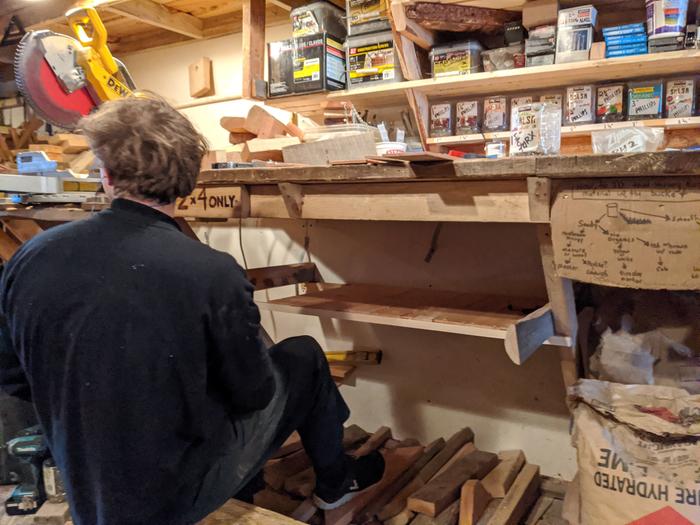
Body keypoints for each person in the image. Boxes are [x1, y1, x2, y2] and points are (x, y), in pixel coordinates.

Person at [0, 95, 384, 525]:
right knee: (304, 357)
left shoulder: (31, 257)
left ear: (106, 176)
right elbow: (255, 395)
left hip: (85, 484)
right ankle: (336, 488)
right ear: (189, 180)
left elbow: (13, 376)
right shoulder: (212, 274)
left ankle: (258, 481)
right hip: (171, 499)